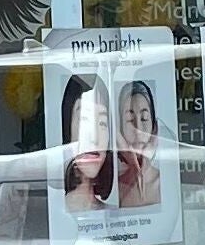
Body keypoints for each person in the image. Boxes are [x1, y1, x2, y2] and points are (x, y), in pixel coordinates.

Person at [60, 74, 115, 213]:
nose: (94, 138)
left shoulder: (115, 216)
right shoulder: (52, 215)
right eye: (84, 119)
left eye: (102, 123)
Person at [114, 79, 163, 209]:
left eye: (144, 118)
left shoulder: (167, 182)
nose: (138, 128)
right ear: (120, 131)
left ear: (154, 127)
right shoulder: (114, 188)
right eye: (130, 120)